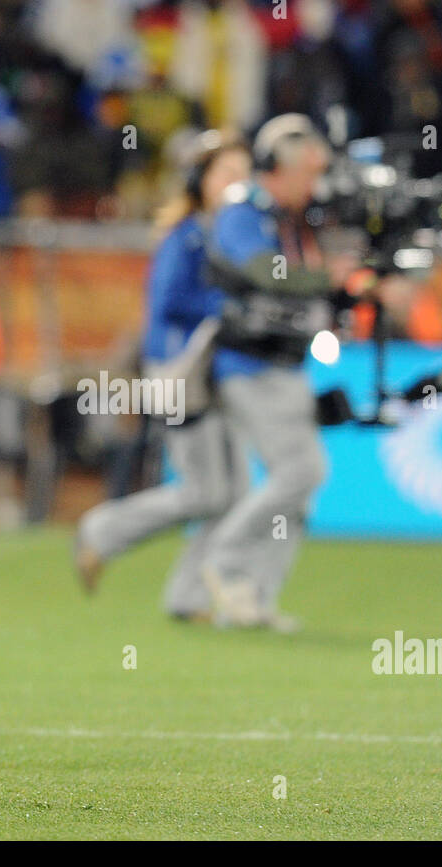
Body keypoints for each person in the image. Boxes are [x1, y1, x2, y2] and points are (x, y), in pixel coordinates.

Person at [73, 130, 251, 621]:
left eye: (244, 173)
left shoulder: (222, 230)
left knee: (232, 493)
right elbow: (169, 301)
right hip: (180, 374)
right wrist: (236, 303)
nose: (240, 183)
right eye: (228, 174)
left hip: (210, 371)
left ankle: (188, 595)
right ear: (201, 180)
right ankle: (102, 532)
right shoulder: (189, 232)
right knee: (206, 491)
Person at [198, 113, 349, 632]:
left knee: (300, 488)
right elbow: (265, 272)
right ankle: (223, 560)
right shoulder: (245, 210)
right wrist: (329, 279)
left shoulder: (290, 219)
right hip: (248, 364)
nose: (315, 186)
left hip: (285, 363)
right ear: (279, 169)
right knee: (302, 473)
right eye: (307, 173)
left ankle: (252, 598)